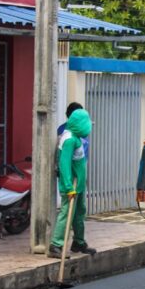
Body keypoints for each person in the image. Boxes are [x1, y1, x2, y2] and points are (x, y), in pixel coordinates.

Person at [47, 109, 97, 258]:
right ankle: (56, 245)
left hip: (79, 185)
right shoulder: (69, 140)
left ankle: (79, 242)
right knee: (66, 213)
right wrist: (68, 187)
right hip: (71, 187)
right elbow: (64, 164)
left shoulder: (76, 137)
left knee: (79, 212)